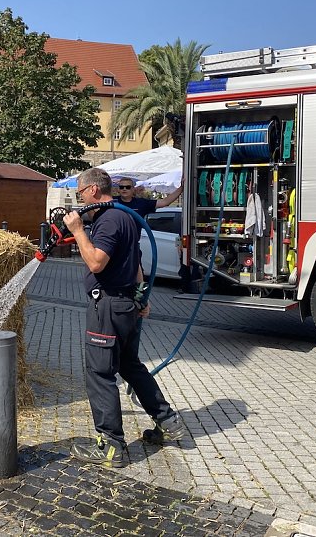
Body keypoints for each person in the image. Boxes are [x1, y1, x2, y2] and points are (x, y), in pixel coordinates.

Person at [63, 167, 186, 468]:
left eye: (80, 193)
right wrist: (141, 297)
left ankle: (111, 447)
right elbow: (137, 265)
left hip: (108, 308)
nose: (80, 200)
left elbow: (96, 263)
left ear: (93, 191)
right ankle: (168, 422)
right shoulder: (128, 217)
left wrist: (79, 230)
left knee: (101, 373)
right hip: (127, 306)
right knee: (131, 366)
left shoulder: (108, 220)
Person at [114, 176, 183, 219]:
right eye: (121, 187)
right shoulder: (111, 201)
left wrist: (181, 188)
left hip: (132, 241)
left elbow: (164, 202)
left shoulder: (141, 203)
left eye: (128, 187)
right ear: (118, 189)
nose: (124, 189)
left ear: (133, 189)